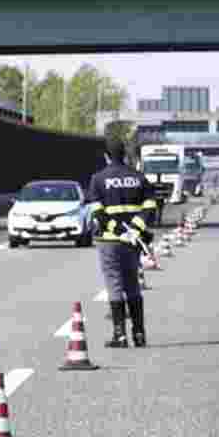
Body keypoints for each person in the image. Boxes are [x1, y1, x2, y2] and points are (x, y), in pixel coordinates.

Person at [85, 137, 157, 348]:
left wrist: (118, 230)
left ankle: (120, 335)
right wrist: (134, 230)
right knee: (133, 284)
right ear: (125, 155)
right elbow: (150, 207)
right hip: (132, 242)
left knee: (114, 284)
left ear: (106, 156)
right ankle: (139, 334)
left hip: (109, 241)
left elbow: (98, 213)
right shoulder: (139, 177)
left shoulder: (98, 179)